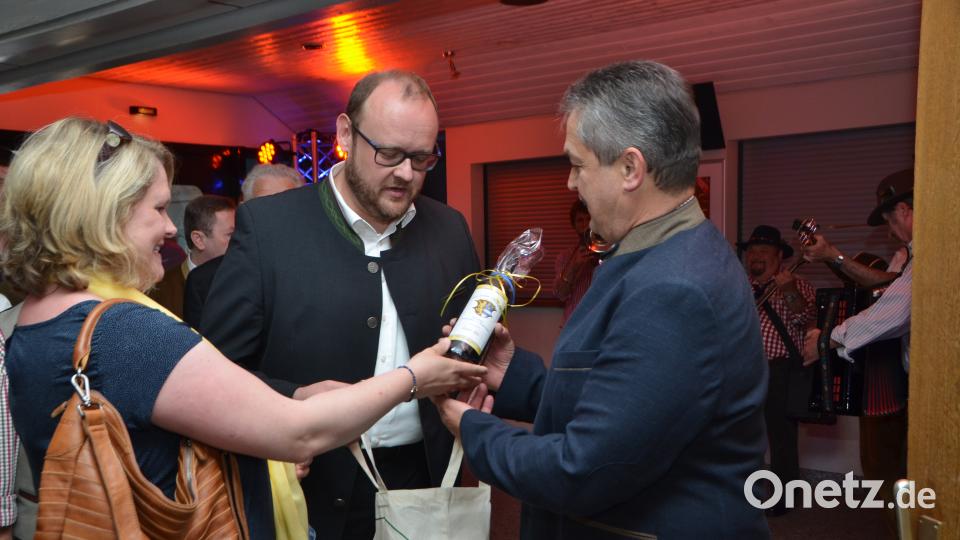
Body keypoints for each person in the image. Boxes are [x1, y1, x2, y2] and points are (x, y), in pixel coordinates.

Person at [0, 117, 485, 539]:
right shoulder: (125, 333)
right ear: (101, 214)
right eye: (155, 208)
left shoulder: (35, 318)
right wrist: (415, 377)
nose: (171, 229)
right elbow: (297, 434)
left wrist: (294, 393)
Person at [435, 60, 769, 539]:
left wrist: (472, 429)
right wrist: (512, 374)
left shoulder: (674, 288)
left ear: (631, 168)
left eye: (577, 164)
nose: (571, 183)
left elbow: (582, 470)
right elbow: (620, 401)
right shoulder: (660, 252)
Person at [200, 70, 481, 539]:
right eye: (389, 153)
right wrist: (293, 400)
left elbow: (469, 349)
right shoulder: (270, 229)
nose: (406, 173)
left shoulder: (449, 229)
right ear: (346, 134)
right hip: (310, 490)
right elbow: (215, 372)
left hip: (422, 484)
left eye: (421, 157)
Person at [801, 168, 914, 526]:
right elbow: (887, 288)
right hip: (900, 379)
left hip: (920, 385)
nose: (889, 228)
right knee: (888, 471)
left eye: (889, 219)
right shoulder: (907, 256)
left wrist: (829, 337)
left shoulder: (935, 253)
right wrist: (832, 256)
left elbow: (897, 307)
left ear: (907, 210)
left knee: (901, 474)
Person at [739, 225, 816, 516]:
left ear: (779, 256)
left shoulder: (797, 284)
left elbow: (806, 317)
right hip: (744, 371)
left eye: (764, 251)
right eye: (752, 251)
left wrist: (788, 291)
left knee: (781, 438)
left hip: (779, 370)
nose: (756, 256)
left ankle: (783, 499)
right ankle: (749, 493)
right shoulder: (739, 285)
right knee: (744, 437)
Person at [183, 165, 302, 329]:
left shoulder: (320, 270)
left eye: (286, 204)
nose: (277, 214)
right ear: (245, 209)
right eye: (266, 204)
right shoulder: (204, 281)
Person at [553, 200, 601, 325]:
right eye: (580, 220)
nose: (585, 224)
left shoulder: (608, 252)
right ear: (574, 225)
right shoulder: (564, 257)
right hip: (573, 323)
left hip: (599, 322)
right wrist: (574, 266)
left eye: (588, 218)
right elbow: (560, 295)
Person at [183, 194, 236, 271]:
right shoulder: (167, 282)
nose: (241, 239)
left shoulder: (249, 276)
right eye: (230, 234)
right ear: (199, 240)